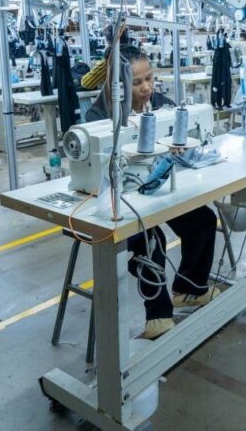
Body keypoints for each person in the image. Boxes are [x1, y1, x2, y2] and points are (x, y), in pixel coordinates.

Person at [85, 45, 219, 340]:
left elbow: (180, 135)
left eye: (149, 78)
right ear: (117, 83)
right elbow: (93, 169)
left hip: (155, 189)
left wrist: (179, 147)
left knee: (203, 220)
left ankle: (189, 289)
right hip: (118, 199)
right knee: (151, 239)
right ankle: (158, 316)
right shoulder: (99, 116)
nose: (146, 87)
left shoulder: (160, 104)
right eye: (136, 82)